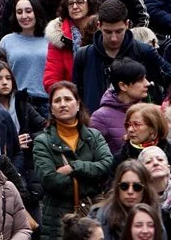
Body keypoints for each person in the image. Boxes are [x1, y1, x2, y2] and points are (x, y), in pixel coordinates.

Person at [33, 81, 114, 240]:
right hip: (58, 217)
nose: (63, 104)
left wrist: (74, 167)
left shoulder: (94, 136)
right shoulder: (42, 141)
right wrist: (91, 180)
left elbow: (107, 165)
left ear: (77, 105)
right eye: (57, 101)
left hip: (92, 212)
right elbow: (50, 179)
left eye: (68, 99)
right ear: (51, 109)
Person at [72, 0, 171, 114]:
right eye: (108, 32)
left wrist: (163, 104)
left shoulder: (144, 52)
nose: (114, 38)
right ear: (99, 26)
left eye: (119, 31)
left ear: (127, 24)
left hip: (139, 122)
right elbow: (76, 93)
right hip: (95, 123)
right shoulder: (84, 55)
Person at [44, 0, 100, 93]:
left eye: (79, 2)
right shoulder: (59, 36)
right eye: (70, 3)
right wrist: (67, 96)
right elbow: (51, 78)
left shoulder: (102, 30)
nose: (74, 6)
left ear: (90, 4)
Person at [89, 58, 150, 153]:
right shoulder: (99, 118)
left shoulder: (149, 111)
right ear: (123, 86)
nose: (147, 83)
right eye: (140, 80)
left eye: (145, 78)